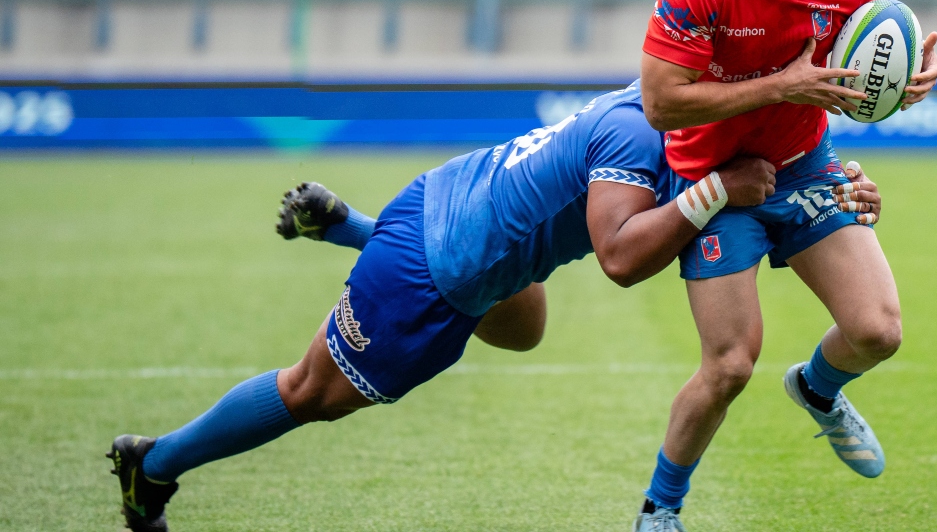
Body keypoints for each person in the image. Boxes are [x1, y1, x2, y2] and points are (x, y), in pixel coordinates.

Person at [105, 83, 790, 532]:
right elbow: (625, 259)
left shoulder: (655, 97)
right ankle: (156, 463)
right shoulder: (643, 136)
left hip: (445, 195)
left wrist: (838, 188)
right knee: (312, 390)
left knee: (525, 327)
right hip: (436, 270)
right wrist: (719, 194)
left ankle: (354, 228)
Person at [631, 0, 937, 531]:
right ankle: (660, 511)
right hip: (716, 181)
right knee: (730, 366)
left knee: (877, 330)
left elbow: (861, 67)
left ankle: (817, 389)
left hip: (802, 163)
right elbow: (661, 103)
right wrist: (783, 84)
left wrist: (899, 86)